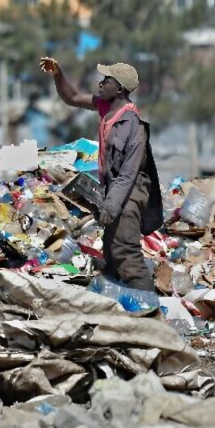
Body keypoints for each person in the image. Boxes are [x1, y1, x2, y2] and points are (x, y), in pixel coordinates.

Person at [39, 57, 162, 292]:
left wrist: (110, 207)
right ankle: (124, 309)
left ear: (120, 88)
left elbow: (128, 173)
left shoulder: (132, 124)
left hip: (130, 193)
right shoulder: (106, 107)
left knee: (126, 253)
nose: (101, 83)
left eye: (107, 80)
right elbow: (72, 98)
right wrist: (58, 73)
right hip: (117, 191)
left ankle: (151, 313)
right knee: (112, 255)